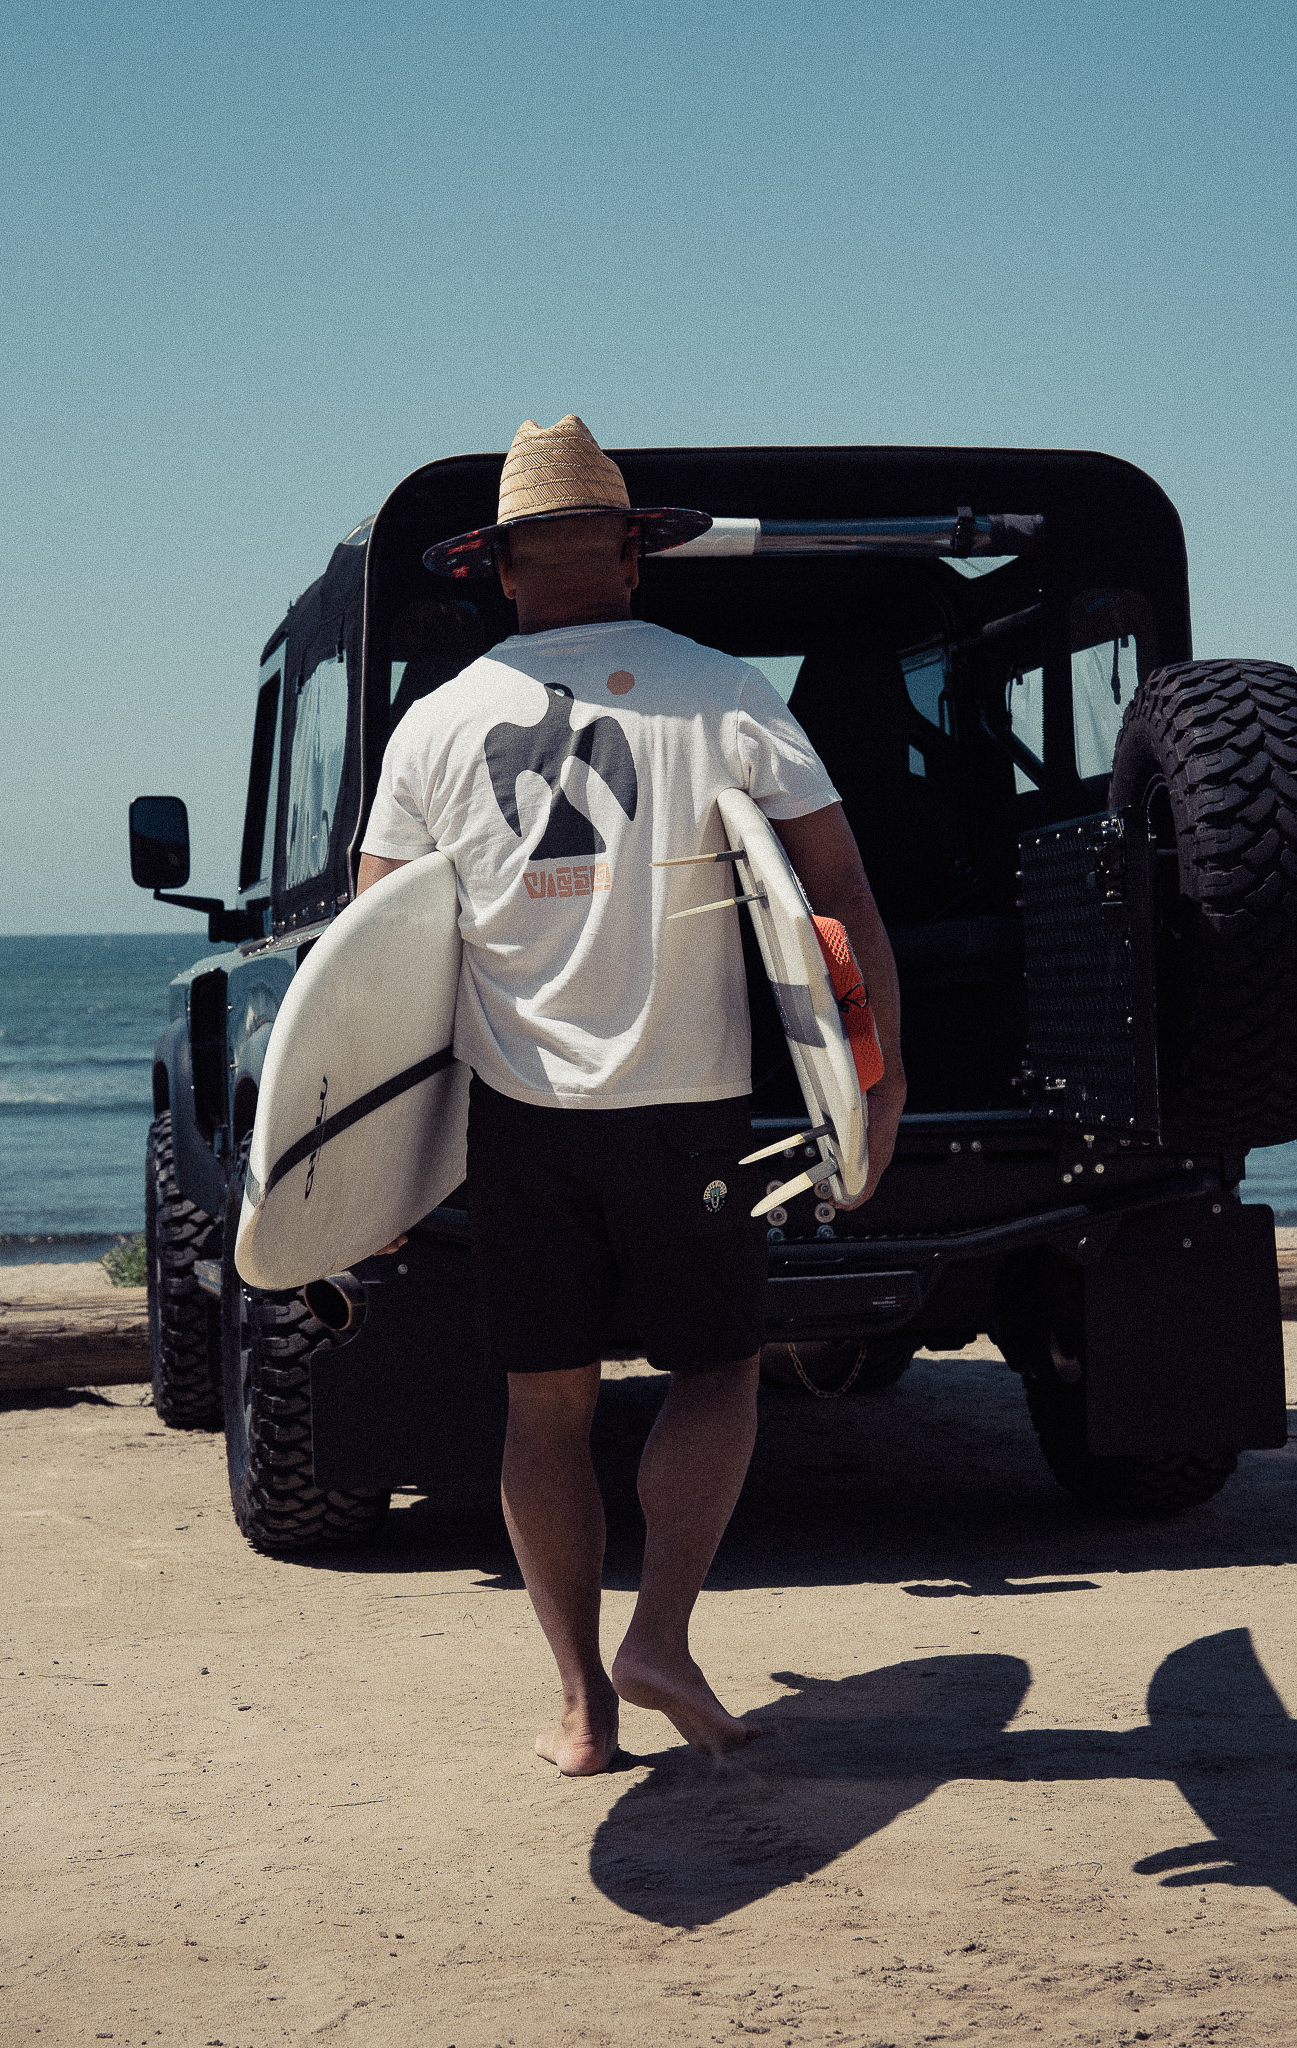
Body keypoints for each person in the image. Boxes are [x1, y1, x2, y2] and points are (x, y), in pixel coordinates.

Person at [357, 415, 905, 1774]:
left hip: (519, 1121)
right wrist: (875, 1087)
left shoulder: (435, 724)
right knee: (715, 1371)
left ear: (500, 569)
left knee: (544, 1407)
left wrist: (368, 1173)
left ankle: (580, 1713)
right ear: (630, 555)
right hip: (687, 1110)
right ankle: (657, 1636)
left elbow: (373, 969)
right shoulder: (721, 694)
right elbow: (837, 896)